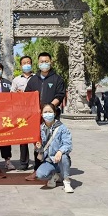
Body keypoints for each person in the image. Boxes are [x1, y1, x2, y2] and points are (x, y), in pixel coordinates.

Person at [24, 52, 66, 180]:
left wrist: (49, 109)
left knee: (53, 143)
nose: (44, 64)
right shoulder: (33, 80)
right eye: (41, 62)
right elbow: (27, 96)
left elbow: (60, 95)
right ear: (38, 63)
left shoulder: (57, 79)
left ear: (51, 62)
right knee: (38, 144)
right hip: (37, 118)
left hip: (51, 117)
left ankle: (56, 171)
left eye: (46, 61)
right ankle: (37, 170)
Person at [35, 103, 74, 193]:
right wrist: (39, 148)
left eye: (50, 112)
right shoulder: (40, 129)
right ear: (41, 114)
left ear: (54, 113)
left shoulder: (62, 128)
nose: (47, 114)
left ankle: (66, 181)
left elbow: (68, 144)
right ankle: (54, 176)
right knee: (40, 175)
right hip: (49, 160)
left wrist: (60, 151)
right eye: (45, 112)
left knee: (64, 156)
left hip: (60, 160)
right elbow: (41, 150)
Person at [11, 55, 34, 170]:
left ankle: (39, 161)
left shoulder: (37, 78)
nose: (26, 65)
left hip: (34, 111)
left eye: (28, 62)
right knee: (23, 138)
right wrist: (17, 94)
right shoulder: (16, 80)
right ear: (20, 66)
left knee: (37, 137)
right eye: (24, 63)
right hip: (21, 112)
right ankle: (24, 163)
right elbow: (11, 95)